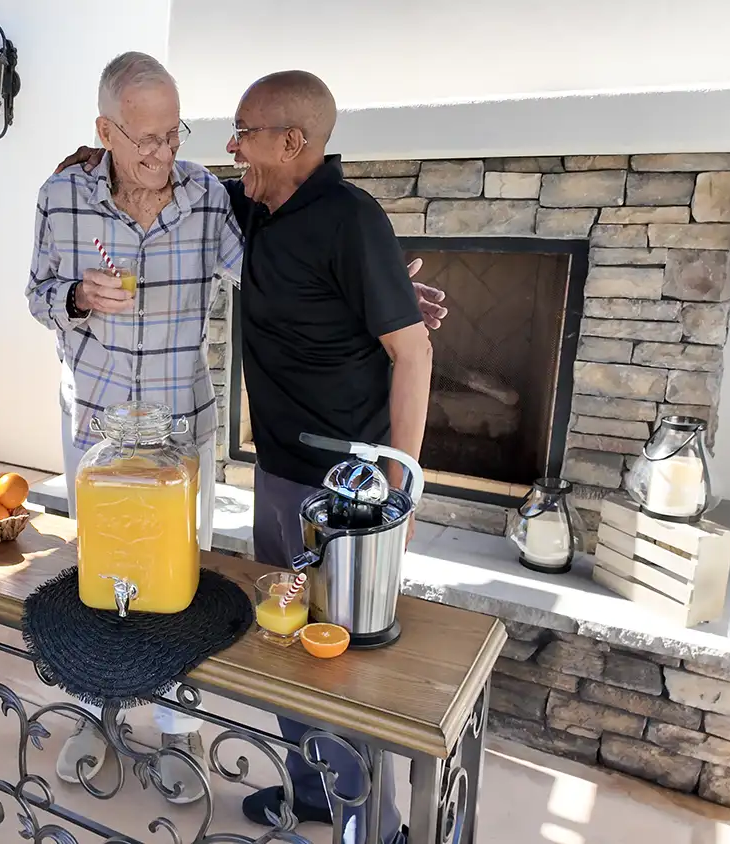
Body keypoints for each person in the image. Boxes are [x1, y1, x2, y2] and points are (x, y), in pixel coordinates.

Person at [24, 51, 242, 805]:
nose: (162, 155)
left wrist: (371, 296)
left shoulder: (209, 197)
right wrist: (78, 295)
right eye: (144, 139)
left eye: (173, 135)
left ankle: (180, 734)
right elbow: (36, 293)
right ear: (105, 131)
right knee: (101, 583)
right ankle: (98, 720)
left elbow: (270, 276)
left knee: (183, 589)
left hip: (182, 430)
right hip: (97, 428)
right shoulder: (63, 195)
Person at [225, 70, 433, 844]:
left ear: (295, 141)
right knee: (284, 646)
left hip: (346, 494)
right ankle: (313, 794)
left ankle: (376, 828)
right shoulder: (255, 204)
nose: (234, 146)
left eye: (245, 132)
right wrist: (95, 156)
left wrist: (398, 492)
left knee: (343, 669)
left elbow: (412, 356)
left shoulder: (351, 219)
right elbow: (165, 179)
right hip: (277, 473)